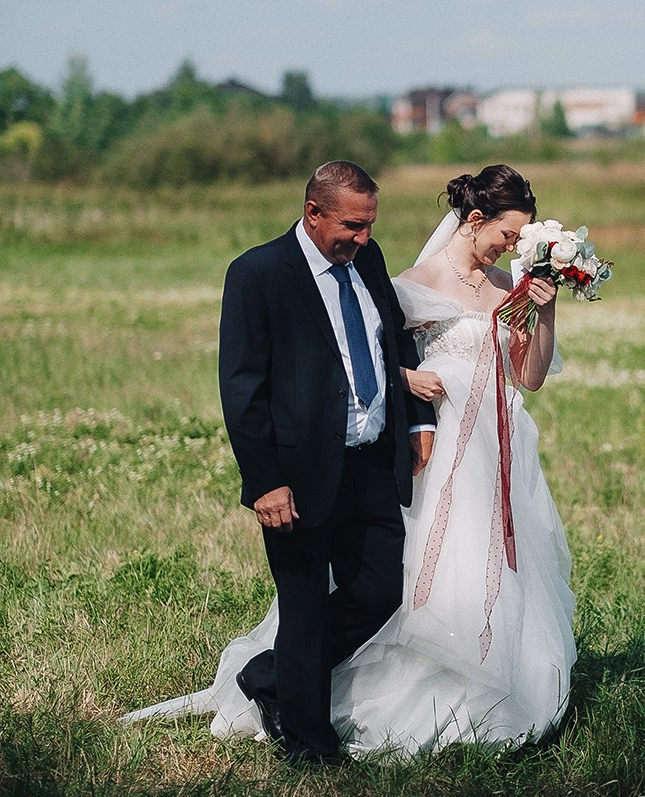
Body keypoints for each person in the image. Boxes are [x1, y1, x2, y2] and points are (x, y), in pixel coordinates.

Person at [125, 164, 576, 759]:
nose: (365, 238)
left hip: (394, 461)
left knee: (381, 591)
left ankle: (273, 676)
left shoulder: (368, 261)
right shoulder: (260, 274)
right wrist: (265, 481)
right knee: (308, 600)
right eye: (353, 226)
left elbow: (391, 347)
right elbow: (243, 388)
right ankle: (310, 746)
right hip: (309, 467)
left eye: (370, 225)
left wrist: (417, 419)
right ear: (313, 212)